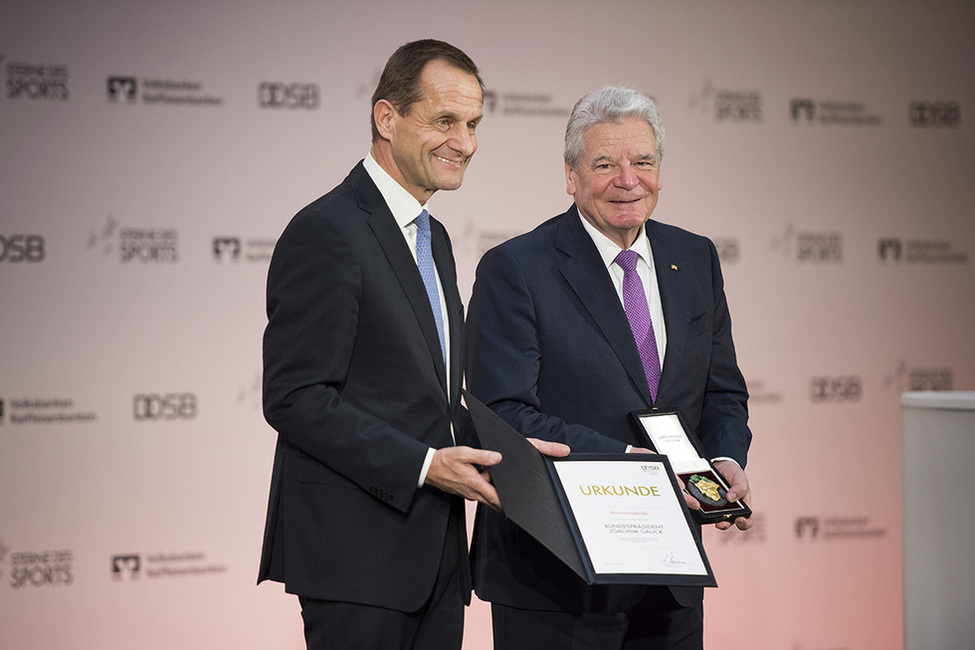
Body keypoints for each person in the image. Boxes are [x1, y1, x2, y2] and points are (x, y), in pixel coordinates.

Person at [465, 85, 754, 650]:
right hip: (556, 576)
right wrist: (633, 466)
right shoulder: (516, 268)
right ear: (571, 175)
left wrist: (723, 460)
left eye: (643, 161)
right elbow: (504, 413)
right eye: (605, 164)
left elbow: (722, 390)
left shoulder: (695, 257)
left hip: (669, 573)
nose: (628, 180)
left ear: (661, 171)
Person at [258, 39, 502, 650]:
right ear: (386, 118)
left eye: (472, 124)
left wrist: (516, 453)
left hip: (438, 559)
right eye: (444, 120)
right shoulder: (327, 231)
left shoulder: (435, 237)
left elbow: (430, 401)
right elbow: (294, 397)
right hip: (356, 560)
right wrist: (424, 465)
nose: (464, 142)